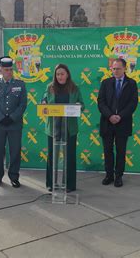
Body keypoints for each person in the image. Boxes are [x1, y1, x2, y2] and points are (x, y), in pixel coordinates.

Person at [42, 64, 84, 192]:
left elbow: (82, 105)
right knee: (51, 156)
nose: (60, 76)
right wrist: (43, 102)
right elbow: (44, 99)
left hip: (69, 128)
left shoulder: (74, 88)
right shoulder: (50, 87)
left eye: (62, 74)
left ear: (67, 74)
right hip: (53, 127)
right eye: (58, 74)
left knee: (69, 156)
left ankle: (69, 185)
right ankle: (51, 183)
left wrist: (78, 105)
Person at [0, 56, 27, 188]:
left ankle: (14, 176)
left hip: (14, 124)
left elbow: (22, 104)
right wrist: (1, 118)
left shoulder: (20, 84)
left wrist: (12, 117)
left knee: (15, 151)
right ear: (1, 70)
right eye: (6, 70)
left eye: (11, 69)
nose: (9, 72)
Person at [98, 58, 138, 187]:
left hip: (123, 123)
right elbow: (101, 102)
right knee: (107, 151)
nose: (115, 71)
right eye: (113, 68)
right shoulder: (105, 83)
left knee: (121, 151)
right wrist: (110, 116)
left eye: (118, 68)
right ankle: (109, 175)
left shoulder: (132, 83)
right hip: (107, 122)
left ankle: (118, 176)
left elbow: (133, 103)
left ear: (124, 69)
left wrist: (120, 116)